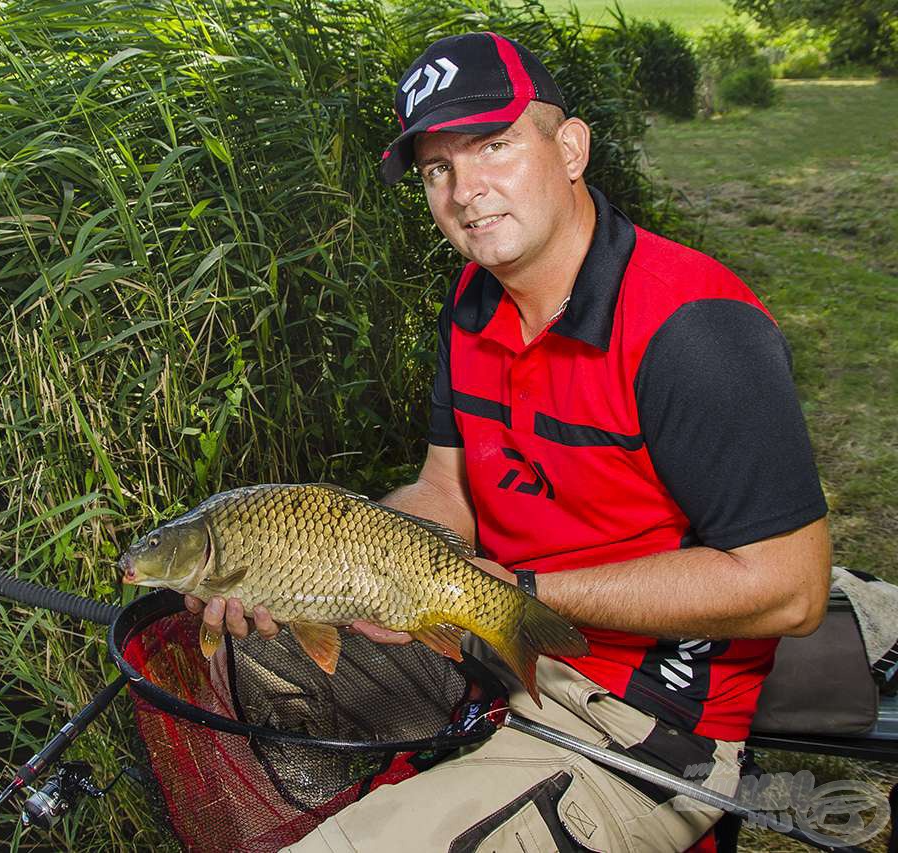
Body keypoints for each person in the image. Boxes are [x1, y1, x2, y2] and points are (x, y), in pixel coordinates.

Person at [186, 31, 831, 852]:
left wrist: (522, 591)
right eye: (436, 168)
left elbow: (792, 588)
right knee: (258, 660)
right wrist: (344, 565)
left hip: (643, 711)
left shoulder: (694, 330)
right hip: (485, 642)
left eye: (493, 144)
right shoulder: (472, 300)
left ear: (570, 148)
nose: (465, 191)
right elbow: (444, 493)